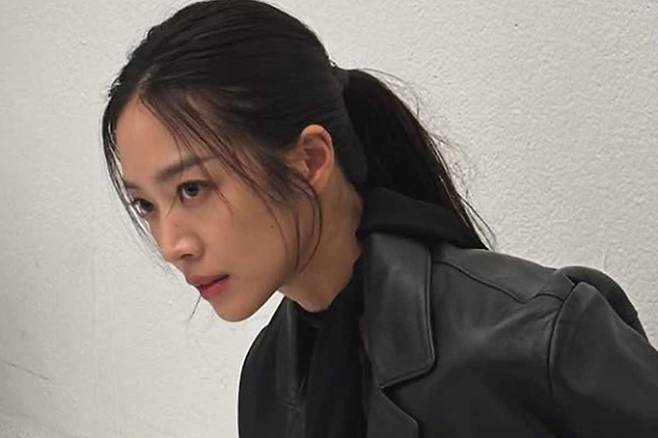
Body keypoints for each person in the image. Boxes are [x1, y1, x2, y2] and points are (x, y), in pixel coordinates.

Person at [101, 0, 658, 436]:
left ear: (310, 160)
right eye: (146, 204)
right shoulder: (269, 381)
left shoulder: (535, 334)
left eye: (192, 188)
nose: (172, 244)